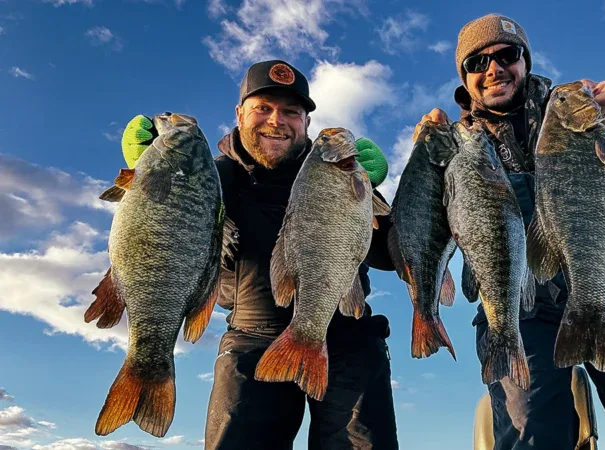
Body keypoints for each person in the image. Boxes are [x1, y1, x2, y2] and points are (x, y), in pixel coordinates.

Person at [416, 14, 605, 450]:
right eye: (478, 62)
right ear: (465, 77)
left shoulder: (580, 109)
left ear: (525, 62)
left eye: (506, 55)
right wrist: (424, 167)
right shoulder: (456, 141)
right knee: (527, 431)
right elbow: (432, 228)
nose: (494, 69)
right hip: (522, 311)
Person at [120, 60, 399, 450]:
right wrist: (155, 177)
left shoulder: (333, 172)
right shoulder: (213, 174)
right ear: (239, 114)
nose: (277, 120)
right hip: (251, 339)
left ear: (305, 122)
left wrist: (368, 191)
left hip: (348, 335)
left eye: (291, 112)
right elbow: (163, 237)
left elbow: (390, 255)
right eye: (263, 108)